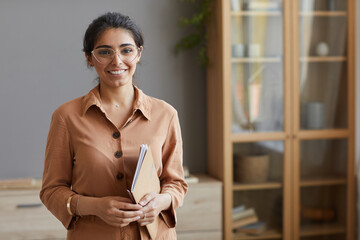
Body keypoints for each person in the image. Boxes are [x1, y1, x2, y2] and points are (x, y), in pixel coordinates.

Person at [40, 12, 188, 240]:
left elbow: (175, 183)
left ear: (139, 53)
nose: (117, 61)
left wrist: (161, 201)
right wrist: (94, 206)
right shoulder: (66, 117)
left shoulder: (165, 114)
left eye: (126, 50)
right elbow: (51, 191)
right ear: (90, 58)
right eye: (104, 52)